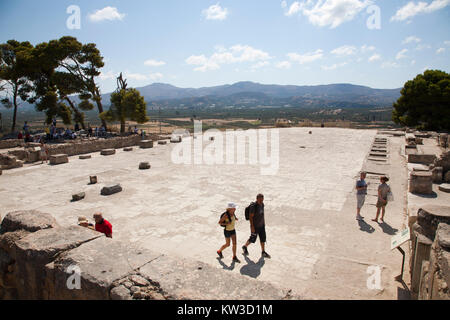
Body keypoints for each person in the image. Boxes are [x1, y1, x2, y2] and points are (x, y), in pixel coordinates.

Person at [242, 194, 271, 259]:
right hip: (255, 226)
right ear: (257, 199)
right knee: (252, 238)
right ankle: (245, 246)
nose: (261, 201)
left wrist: (263, 223)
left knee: (263, 239)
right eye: (260, 200)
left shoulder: (262, 204)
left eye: (262, 199)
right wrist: (252, 226)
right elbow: (251, 217)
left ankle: (263, 252)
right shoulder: (253, 206)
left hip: (262, 226)